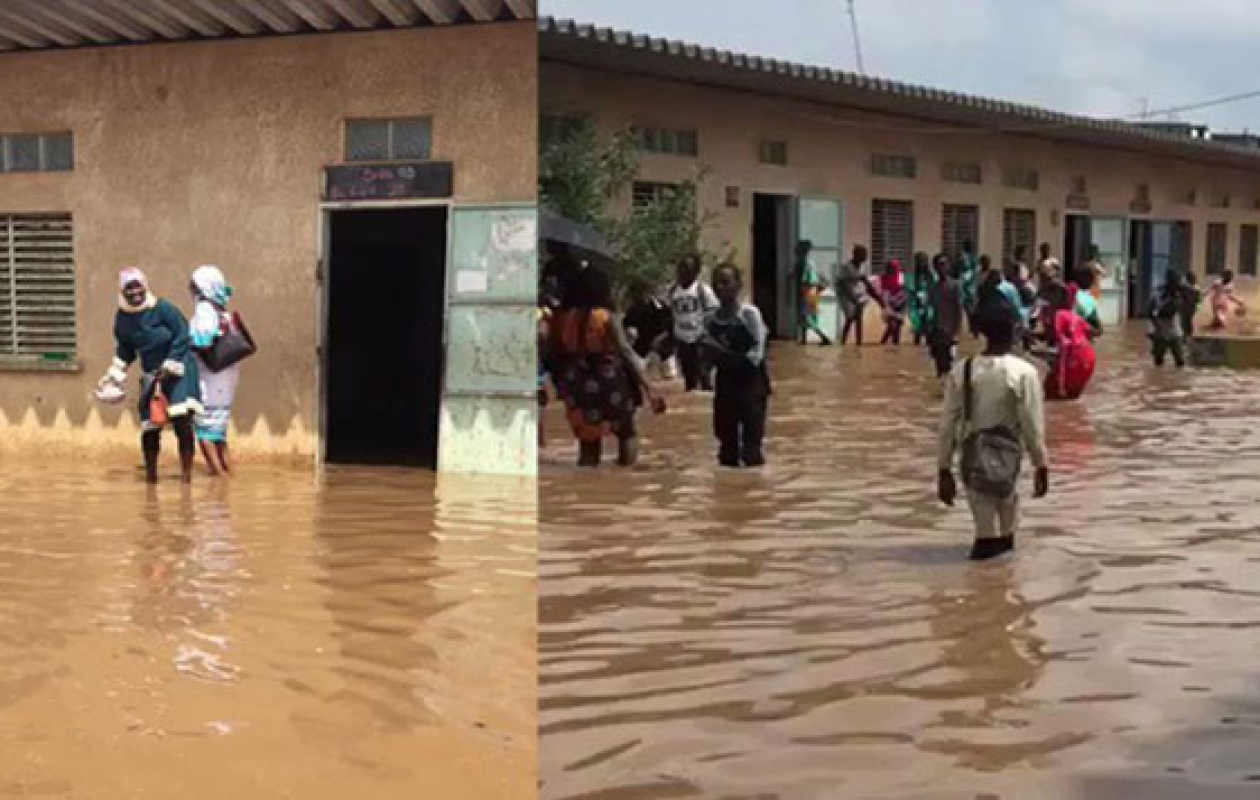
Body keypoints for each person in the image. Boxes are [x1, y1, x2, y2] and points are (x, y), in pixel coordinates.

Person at [937, 297, 1049, 561]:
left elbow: (948, 425)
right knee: (1007, 536)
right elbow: (1032, 426)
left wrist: (943, 469)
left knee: (984, 530)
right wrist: (1041, 464)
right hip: (1009, 459)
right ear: (1013, 330)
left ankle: (982, 586)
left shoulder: (962, 370)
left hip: (974, 458)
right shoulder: (1024, 373)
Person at [97, 268, 204, 484]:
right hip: (152, 371)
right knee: (150, 425)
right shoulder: (123, 319)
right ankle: (151, 479)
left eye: (138, 287)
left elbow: (183, 334)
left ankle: (186, 477)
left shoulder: (162, 309)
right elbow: (126, 349)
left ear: (145, 286)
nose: (135, 293)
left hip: (179, 367)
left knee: (181, 420)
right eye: (129, 288)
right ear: (122, 291)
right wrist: (116, 373)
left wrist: (172, 362)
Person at [549, 265, 661, 467]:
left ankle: (587, 489)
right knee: (626, 431)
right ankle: (626, 481)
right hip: (609, 382)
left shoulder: (567, 318)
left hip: (578, 383)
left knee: (588, 440)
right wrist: (648, 387)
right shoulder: (606, 317)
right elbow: (626, 352)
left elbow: (558, 350)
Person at [702, 264, 770, 468]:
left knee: (751, 449)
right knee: (726, 449)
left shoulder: (749, 315)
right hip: (725, 388)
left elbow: (755, 358)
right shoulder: (710, 320)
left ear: (738, 285)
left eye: (726, 282)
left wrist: (717, 350)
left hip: (751, 387)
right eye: (716, 283)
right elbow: (706, 359)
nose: (720, 287)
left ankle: (755, 492)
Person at [188, 265, 241, 476]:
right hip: (226, 375)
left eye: (193, 285)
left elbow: (203, 339)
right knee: (219, 429)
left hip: (209, 375)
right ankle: (228, 472)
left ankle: (218, 477)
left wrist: (185, 342)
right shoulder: (221, 310)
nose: (190, 289)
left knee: (204, 430)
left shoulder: (204, 309)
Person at [668, 254, 719, 390]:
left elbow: (713, 311)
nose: (684, 271)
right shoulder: (673, 291)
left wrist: (707, 333)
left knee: (703, 373)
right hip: (682, 339)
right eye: (682, 267)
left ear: (696, 272)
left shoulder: (702, 290)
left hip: (699, 339)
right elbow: (670, 313)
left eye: (688, 268)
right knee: (688, 375)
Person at [1039, 283, 1096, 401]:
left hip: (1074, 357)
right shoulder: (1075, 316)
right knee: (1073, 397)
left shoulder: (1059, 315)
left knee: (1049, 391)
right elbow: (1091, 331)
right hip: (1089, 358)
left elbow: (1063, 343)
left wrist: (1061, 380)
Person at [926, 254, 964, 378]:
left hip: (949, 333)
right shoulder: (933, 287)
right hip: (937, 332)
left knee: (949, 366)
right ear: (935, 267)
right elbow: (931, 310)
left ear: (948, 266)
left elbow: (958, 310)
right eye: (939, 265)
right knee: (939, 366)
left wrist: (956, 333)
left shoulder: (955, 286)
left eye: (944, 264)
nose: (941, 267)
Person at [837, 245, 879, 346]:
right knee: (850, 317)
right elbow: (841, 283)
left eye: (866, 255)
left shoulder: (862, 267)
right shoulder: (846, 266)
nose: (865, 258)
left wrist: (877, 297)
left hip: (857, 292)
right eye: (863, 255)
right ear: (856, 255)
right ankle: (843, 342)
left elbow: (865, 281)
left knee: (858, 316)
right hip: (845, 294)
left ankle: (859, 343)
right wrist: (851, 298)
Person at [795, 240, 832, 346]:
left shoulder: (804, 262)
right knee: (805, 316)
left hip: (807, 290)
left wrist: (803, 290)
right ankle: (804, 340)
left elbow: (804, 278)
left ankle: (824, 337)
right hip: (811, 290)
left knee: (808, 317)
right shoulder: (809, 262)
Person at [1149, 271, 1189, 368]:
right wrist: (1157, 326)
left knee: (1179, 361)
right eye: (1177, 281)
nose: (1179, 284)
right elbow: (1150, 312)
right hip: (1163, 331)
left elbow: (1187, 310)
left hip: (1174, 332)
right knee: (1159, 362)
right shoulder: (1159, 294)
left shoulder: (1181, 293)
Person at [879, 259, 908, 345]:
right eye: (889, 267)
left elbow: (905, 291)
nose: (890, 269)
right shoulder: (883, 277)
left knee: (897, 327)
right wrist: (886, 304)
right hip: (888, 303)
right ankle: (883, 343)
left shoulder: (901, 277)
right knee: (892, 325)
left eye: (893, 267)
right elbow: (882, 292)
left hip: (901, 303)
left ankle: (895, 346)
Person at [908, 251, 934, 346]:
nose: (922, 263)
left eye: (924, 261)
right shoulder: (913, 275)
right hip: (916, 306)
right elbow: (910, 291)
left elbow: (932, 290)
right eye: (920, 261)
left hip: (928, 306)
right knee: (917, 331)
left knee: (928, 332)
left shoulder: (931, 276)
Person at [1180, 271, 1202, 339]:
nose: (1194, 279)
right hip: (1188, 307)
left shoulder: (1185, 287)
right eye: (1192, 278)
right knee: (1187, 323)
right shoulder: (1194, 288)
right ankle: (1187, 337)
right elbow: (1198, 300)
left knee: (1187, 323)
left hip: (1188, 307)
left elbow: (1198, 299)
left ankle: (1187, 337)